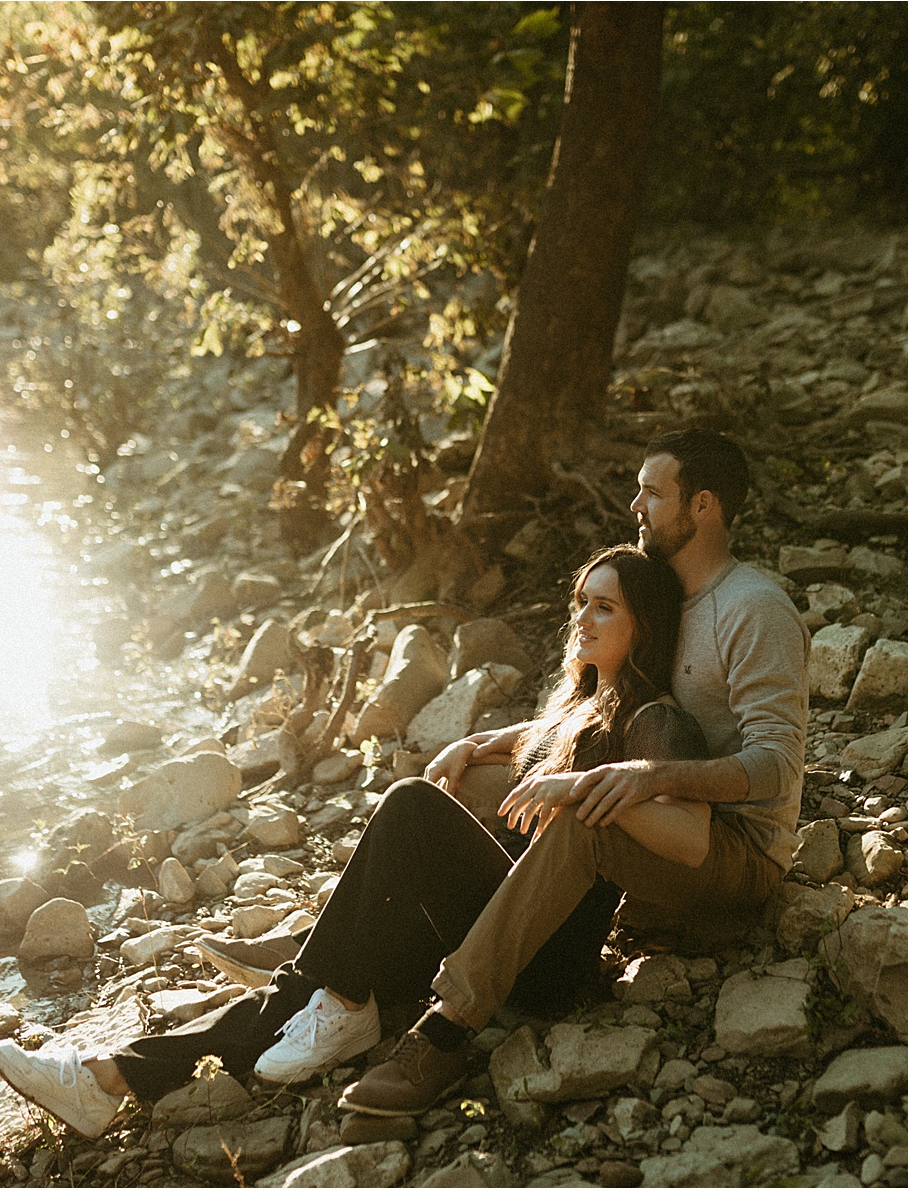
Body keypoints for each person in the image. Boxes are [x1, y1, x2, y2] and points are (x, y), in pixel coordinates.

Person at [0, 543, 717, 1137]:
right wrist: (485, 743)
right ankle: (107, 1078)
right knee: (316, 980)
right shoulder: (581, 706)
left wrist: (579, 790)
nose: (583, 617)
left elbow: (691, 841)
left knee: (407, 806)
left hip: (543, 957)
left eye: (605, 606)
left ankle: (338, 999)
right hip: (485, 927)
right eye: (581, 601)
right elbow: (559, 741)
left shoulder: (656, 722)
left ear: (643, 625)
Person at [335, 428, 807, 1117]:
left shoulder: (753, 608)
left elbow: (776, 764)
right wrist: (501, 738)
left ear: (703, 505)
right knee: (467, 788)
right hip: (651, 805)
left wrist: (643, 777)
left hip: (729, 847)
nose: (635, 504)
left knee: (582, 820)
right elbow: (621, 703)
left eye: (653, 492)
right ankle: (371, 945)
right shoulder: (667, 592)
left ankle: (447, 1025)